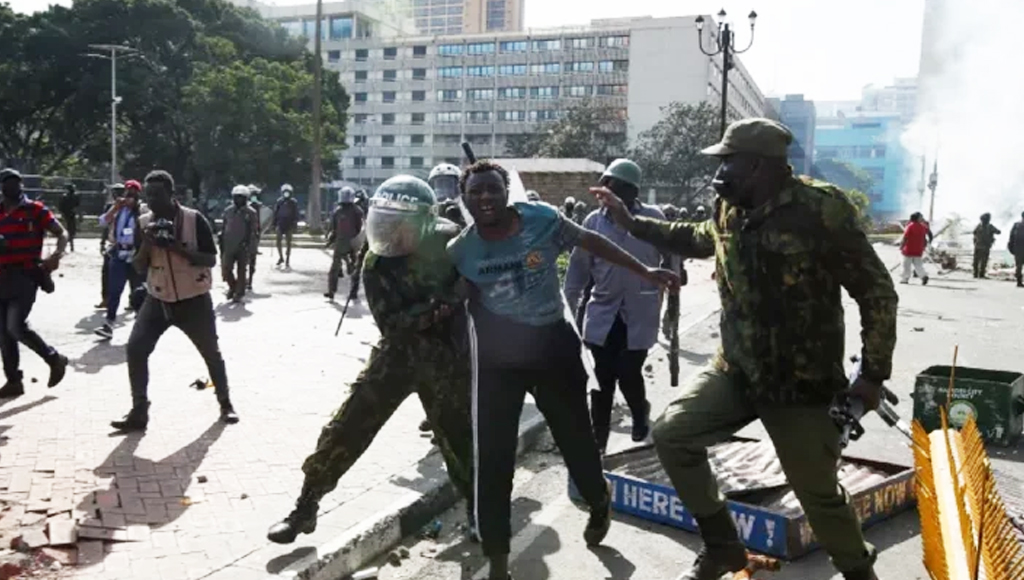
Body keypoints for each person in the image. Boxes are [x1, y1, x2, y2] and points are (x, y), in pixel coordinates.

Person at [591, 118, 896, 580]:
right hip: (736, 369)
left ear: (759, 166)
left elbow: (876, 292)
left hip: (802, 383)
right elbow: (698, 238)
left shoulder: (820, 211)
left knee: (816, 492)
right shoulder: (728, 209)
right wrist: (634, 225)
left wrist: (872, 374)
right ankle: (722, 549)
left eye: (727, 162)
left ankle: (858, 571)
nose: (721, 173)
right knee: (673, 435)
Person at [448, 160, 679, 580]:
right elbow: (453, 297)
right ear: (464, 200)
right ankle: (498, 559)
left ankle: (599, 500)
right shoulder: (461, 251)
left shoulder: (542, 220)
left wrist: (644, 269)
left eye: (492, 189)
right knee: (493, 458)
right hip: (498, 361)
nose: (484, 198)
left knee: (576, 442)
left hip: (552, 348)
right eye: (475, 192)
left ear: (507, 192)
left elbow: (591, 242)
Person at [267, 175, 474, 544]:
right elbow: (394, 326)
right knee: (345, 427)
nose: (393, 232)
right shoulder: (377, 261)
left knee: (461, 442)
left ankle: (478, 510)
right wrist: (447, 301)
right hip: (396, 357)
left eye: (402, 225)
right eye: (387, 222)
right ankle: (306, 507)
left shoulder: (454, 245)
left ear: (425, 222)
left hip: (448, 361)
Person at [110, 170, 239, 432]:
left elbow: (211, 258)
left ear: (172, 194)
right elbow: (136, 266)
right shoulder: (144, 222)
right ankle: (139, 411)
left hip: (193, 299)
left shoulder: (194, 219)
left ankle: (225, 404)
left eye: (158, 194)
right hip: (157, 298)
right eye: (149, 195)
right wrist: (147, 243)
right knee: (135, 349)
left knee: (211, 353)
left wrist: (176, 248)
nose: (152, 200)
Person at [565, 159, 665, 454]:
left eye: (614, 184)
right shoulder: (592, 223)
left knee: (629, 371)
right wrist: (568, 312)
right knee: (602, 379)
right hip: (603, 312)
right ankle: (598, 441)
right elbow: (578, 270)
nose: (605, 189)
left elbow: (671, 254)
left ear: (632, 191)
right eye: (604, 182)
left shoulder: (652, 218)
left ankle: (639, 411)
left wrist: (674, 279)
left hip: (641, 312)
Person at [0, 169, 70, 398]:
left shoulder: (35, 210)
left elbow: (62, 233)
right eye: (8, 183)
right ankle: (13, 380)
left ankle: (53, 358)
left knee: (15, 326)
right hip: (2, 276)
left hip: (26, 275)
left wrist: (56, 255)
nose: (13, 186)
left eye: (16, 182)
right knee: (3, 332)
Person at [95, 182, 146, 339]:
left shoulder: (143, 209)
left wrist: (136, 210)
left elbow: (149, 224)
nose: (129, 198)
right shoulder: (117, 209)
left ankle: (141, 327)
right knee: (114, 290)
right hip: (119, 252)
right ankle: (109, 323)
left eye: (133, 194)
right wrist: (115, 208)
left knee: (138, 291)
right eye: (127, 194)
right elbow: (102, 221)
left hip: (137, 254)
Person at [220, 185, 259, 303]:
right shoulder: (228, 211)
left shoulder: (251, 212)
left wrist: (251, 246)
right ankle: (233, 287)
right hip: (229, 245)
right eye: (237, 197)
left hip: (243, 246)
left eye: (242, 198)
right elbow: (224, 226)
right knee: (226, 269)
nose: (239, 200)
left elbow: (254, 230)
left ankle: (239, 292)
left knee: (242, 270)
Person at [324, 187, 364, 300]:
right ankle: (332, 291)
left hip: (350, 243)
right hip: (343, 242)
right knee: (336, 268)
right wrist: (331, 238)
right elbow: (334, 228)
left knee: (352, 268)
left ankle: (352, 291)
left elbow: (360, 228)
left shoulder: (356, 211)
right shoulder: (340, 211)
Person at [97, 183, 127, 310]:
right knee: (106, 272)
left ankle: (133, 300)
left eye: (119, 191)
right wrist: (103, 242)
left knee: (132, 274)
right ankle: (106, 298)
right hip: (113, 244)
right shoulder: (110, 207)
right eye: (115, 192)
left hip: (128, 245)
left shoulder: (131, 207)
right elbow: (105, 226)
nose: (116, 194)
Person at [899, 212, 930, 285]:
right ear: (917, 218)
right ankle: (923, 276)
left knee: (906, 265)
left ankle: (905, 278)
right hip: (918, 249)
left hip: (909, 249)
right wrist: (923, 246)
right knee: (918, 265)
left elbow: (905, 237)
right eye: (921, 217)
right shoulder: (923, 227)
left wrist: (902, 245)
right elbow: (925, 236)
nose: (922, 218)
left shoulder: (910, 226)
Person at [274, 184, 299, 267]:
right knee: (278, 241)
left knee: (288, 242)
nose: (286, 194)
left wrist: (295, 224)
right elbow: (275, 212)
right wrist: (274, 223)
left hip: (289, 224)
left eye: (288, 192)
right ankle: (281, 257)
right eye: (285, 192)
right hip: (280, 223)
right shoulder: (279, 201)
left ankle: (287, 259)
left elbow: (296, 214)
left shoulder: (293, 202)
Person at [972, 213, 1001, 279]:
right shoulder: (989, 226)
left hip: (978, 245)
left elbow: (974, 232)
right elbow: (998, 232)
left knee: (976, 260)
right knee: (983, 260)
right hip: (985, 246)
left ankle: (975, 274)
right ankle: (981, 274)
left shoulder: (979, 226)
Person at [246, 185, 263, 291]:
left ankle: (250, 281)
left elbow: (259, 223)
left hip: (252, 236)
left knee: (252, 260)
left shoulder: (257, 207)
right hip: (240, 236)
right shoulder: (241, 207)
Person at [58, 184, 79, 252]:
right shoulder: (74, 196)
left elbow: (60, 207)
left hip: (67, 215)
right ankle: (70, 246)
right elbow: (77, 206)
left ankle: (66, 246)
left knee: (67, 231)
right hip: (70, 215)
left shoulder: (65, 196)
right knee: (70, 231)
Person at [1009, 211, 1024, 288]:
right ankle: (1019, 281)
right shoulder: (1016, 225)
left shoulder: (1016, 225)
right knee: (1019, 266)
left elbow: (1011, 237)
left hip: (1018, 249)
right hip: (1019, 249)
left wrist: (1011, 247)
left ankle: (1019, 281)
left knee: (1019, 266)